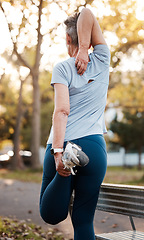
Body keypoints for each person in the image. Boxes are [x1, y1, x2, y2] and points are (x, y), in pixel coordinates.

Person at [39, 7, 110, 240]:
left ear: (68, 38)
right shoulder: (102, 59)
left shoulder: (63, 67)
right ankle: (69, 162)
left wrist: (58, 152)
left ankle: (65, 169)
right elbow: (88, 13)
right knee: (83, 221)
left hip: (65, 142)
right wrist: (84, 50)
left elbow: (61, 111)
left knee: (50, 213)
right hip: (94, 147)